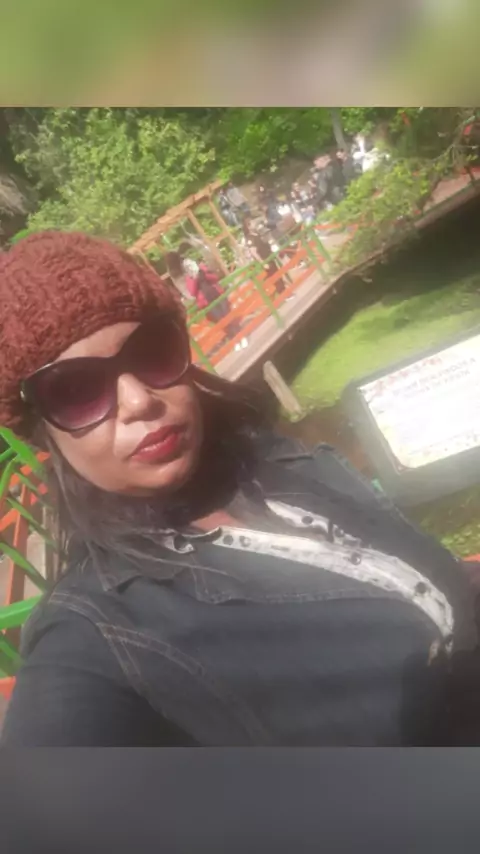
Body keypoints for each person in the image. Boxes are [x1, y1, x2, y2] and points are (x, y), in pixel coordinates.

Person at [2, 231, 480, 747]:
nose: (139, 401)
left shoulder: (270, 458)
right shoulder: (97, 632)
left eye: (151, 351)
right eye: (76, 390)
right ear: (40, 430)